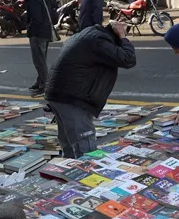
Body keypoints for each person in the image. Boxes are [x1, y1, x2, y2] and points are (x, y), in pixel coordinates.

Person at [44, 22, 135, 157]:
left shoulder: (89, 33)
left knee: (69, 144)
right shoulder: (99, 41)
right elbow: (128, 59)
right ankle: (81, 174)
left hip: (57, 94)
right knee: (85, 148)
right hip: (72, 98)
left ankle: (68, 172)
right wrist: (122, 36)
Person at [15, 0, 54, 95]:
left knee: (39, 61)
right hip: (43, 32)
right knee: (40, 61)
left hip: (38, 34)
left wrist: (29, 29)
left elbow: (36, 18)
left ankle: (45, 87)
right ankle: (40, 82)